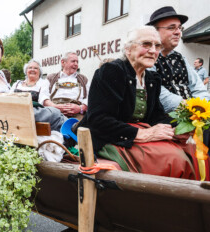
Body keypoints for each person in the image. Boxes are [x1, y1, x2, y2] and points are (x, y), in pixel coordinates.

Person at [78, 26, 195, 179]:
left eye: (157, 46)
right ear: (128, 49)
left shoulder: (152, 79)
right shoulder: (111, 71)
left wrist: (179, 128)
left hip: (137, 134)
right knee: (173, 158)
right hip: (111, 137)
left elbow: (156, 116)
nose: (153, 51)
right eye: (146, 44)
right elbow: (98, 120)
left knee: (192, 147)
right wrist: (144, 134)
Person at [0, 32, 66, 131]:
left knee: (57, 116)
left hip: (12, 116)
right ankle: (76, 134)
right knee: (55, 114)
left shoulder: (0, 74)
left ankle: (75, 133)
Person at [147, 6, 210, 113]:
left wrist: (203, 108)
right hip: (166, 116)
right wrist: (191, 108)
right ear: (155, 32)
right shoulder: (148, 56)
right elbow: (158, 93)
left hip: (192, 112)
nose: (178, 32)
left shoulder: (180, 57)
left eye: (180, 28)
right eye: (171, 28)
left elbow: (198, 87)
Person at [39, 52, 89, 120]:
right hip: (54, 113)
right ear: (63, 62)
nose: (76, 64)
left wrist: (80, 108)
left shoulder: (83, 79)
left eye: (77, 62)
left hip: (76, 115)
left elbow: (90, 98)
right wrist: (54, 106)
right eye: (73, 61)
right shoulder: (51, 78)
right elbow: (43, 96)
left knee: (79, 128)